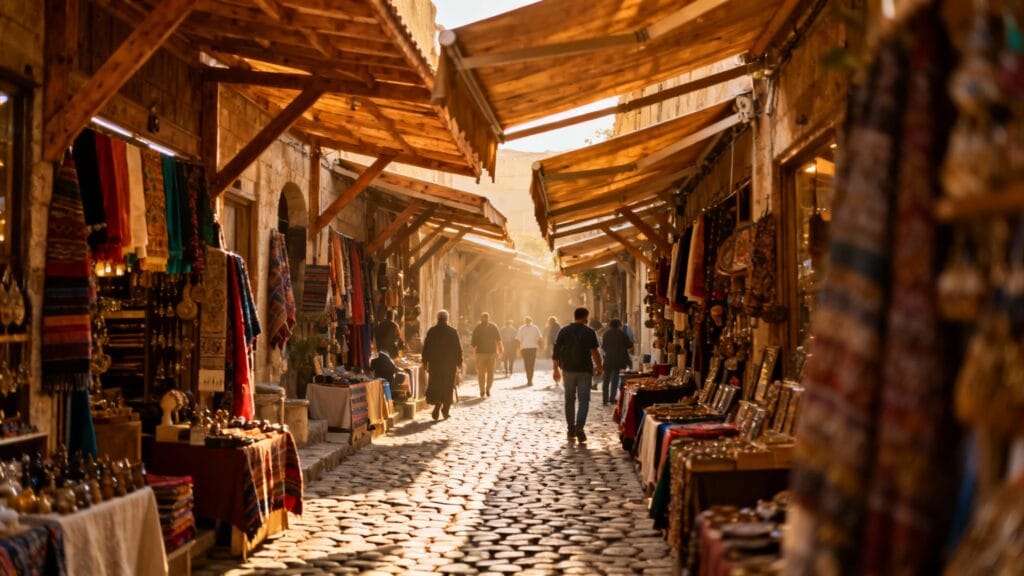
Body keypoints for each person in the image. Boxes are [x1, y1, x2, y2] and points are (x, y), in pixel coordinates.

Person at [552, 307, 603, 443]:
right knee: (584, 401)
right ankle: (579, 427)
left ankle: (570, 429)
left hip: (568, 370)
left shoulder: (563, 331)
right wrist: (599, 368)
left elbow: (556, 352)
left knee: (569, 400)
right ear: (585, 317)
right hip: (585, 371)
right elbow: (595, 353)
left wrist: (555, 369)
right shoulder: (589, 332)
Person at [422, 310, 463, 420]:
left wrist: (424, 362)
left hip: (435, 365)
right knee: (448, 387)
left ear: (437, 318)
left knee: (436, 386)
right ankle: (445, 409)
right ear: (447, 319)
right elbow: (458, 349)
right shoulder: (453, 331)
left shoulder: (432, 331)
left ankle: (437, 404)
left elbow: (426, 348)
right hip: (449, 366)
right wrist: (459, 363)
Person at [600, 319, 633, 406]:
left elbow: (604, 347)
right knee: (615, 380)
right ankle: (612, 398)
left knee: (606, 380)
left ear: (610, 325)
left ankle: (605, 399)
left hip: (609, 359)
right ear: (619, 325)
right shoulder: (622, 334)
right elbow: (629, 345)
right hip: (619, 360)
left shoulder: (606, 334)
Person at [471, 312, 503, 397]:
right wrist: (472, 353)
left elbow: (498, 339)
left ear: (488, 318)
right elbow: (473, 342)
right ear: (481, 318)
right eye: (484, 318)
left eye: (486, 318)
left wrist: (500, 350)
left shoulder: (492, 327)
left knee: (488, 373)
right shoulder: (479, 328)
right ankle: (483, 390)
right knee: (484, 373)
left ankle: (487, 389)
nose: (485, 319)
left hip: (489, 353)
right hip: (483, 353)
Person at [516, 316, 543, 386]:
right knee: (531, 364)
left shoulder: (521, 329)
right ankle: (530, 379)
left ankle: (529, 379)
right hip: (533, 348)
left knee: (527, 364)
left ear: (525, 321)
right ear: (531, 321)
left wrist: (518, 349)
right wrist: (541, 347)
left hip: (525, 349)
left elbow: (518, 340)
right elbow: (540, 338)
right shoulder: (535, 328)